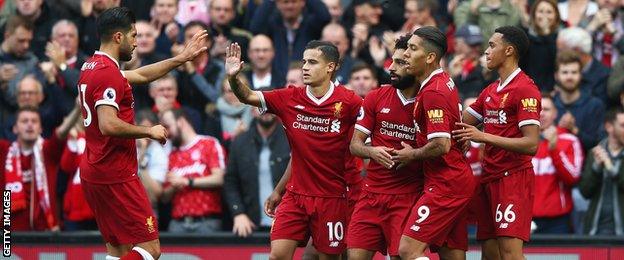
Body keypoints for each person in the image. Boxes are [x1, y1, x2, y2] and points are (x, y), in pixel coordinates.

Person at [77, 7, 208, 260]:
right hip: (116, 173)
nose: (136, 42)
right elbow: (108, 124)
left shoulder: (93, 66)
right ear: (118, 37)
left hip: (95, 170)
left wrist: (181, 58)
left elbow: (139, 74)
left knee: (119, 250)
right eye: (133, 35)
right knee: (150, 249)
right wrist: (149, 131)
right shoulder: (107, 73)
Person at [225, 40, 362, 259]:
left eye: (312, 62)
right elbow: (248, 96)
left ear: (330, 67)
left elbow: (368, 137)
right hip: (295, 196)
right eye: (304, 61)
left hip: (333, 197)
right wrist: (233, 77)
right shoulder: (289, 98)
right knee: (277, 255)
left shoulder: (350, 102)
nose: (305, 67)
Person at [453, 26, 541, 260]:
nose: (486, 52)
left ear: (509, 50)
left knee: (510, 255)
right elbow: (460, 122)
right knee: (490, 254)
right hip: (489, 179)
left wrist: (482, 136)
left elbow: (531, 144)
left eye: (492, 46)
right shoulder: (491, 90)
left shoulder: (525, 89)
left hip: (512, 179)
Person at [391, 26, 475, 260]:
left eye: (412, 48)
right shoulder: (441, 81)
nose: (406, 54)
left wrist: (411, 155)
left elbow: (441, 144)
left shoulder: (433, 92)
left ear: (430, 57)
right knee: (452, 256)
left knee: (407, 250)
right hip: (454, 179)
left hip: (446, 184)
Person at [347, 34, 423, 260]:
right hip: (370, 195)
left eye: (400, 63)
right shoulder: (376, 97)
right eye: (392, 61)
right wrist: (372, 151)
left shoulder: (429, 101)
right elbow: (355, 145)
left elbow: (442, 148)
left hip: (407, 196)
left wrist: (413, 155)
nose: (392, 67)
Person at [0, 104, 81, 231]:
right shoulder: (4, 151)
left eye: (34, 121)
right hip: (8, 234)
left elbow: (60, 133)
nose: (30, 125)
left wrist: (78, 109)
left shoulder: (48, 152)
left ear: (41, 128)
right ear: (15, 128)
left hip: (45, 231)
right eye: (24, 121)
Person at [224, 106, 290, 237]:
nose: (265, 111)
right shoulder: (240, 142)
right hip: (250, 224)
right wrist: (238, 213)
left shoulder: (291, 139)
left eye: (270, 107)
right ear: (252, 112)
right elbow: (230, 182)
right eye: (260, 107)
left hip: (288, 221)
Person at [160, 109, 227, 234]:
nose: (166, 133)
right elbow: (164, 197)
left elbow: (219, 178)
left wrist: (187, 181)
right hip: (177, 223)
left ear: (180, 122)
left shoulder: (209, 143)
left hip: (207, 221)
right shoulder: (170, 155)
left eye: (168, 127)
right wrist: (174, 186)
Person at [532, 95, 583, 234]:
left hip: (558, 221)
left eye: (546, 109)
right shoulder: (519, 142)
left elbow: (572, 178)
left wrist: (554, 149)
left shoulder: (569, 140)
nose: (541, 113)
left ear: (555, 113)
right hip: (525, 218)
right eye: (536, 109)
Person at [579, 107, 624, 235]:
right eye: (622, 125)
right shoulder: (595, 153)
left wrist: (610, 168)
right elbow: (585, 192)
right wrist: (596, 168)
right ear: (609, 127)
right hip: (596, 228)